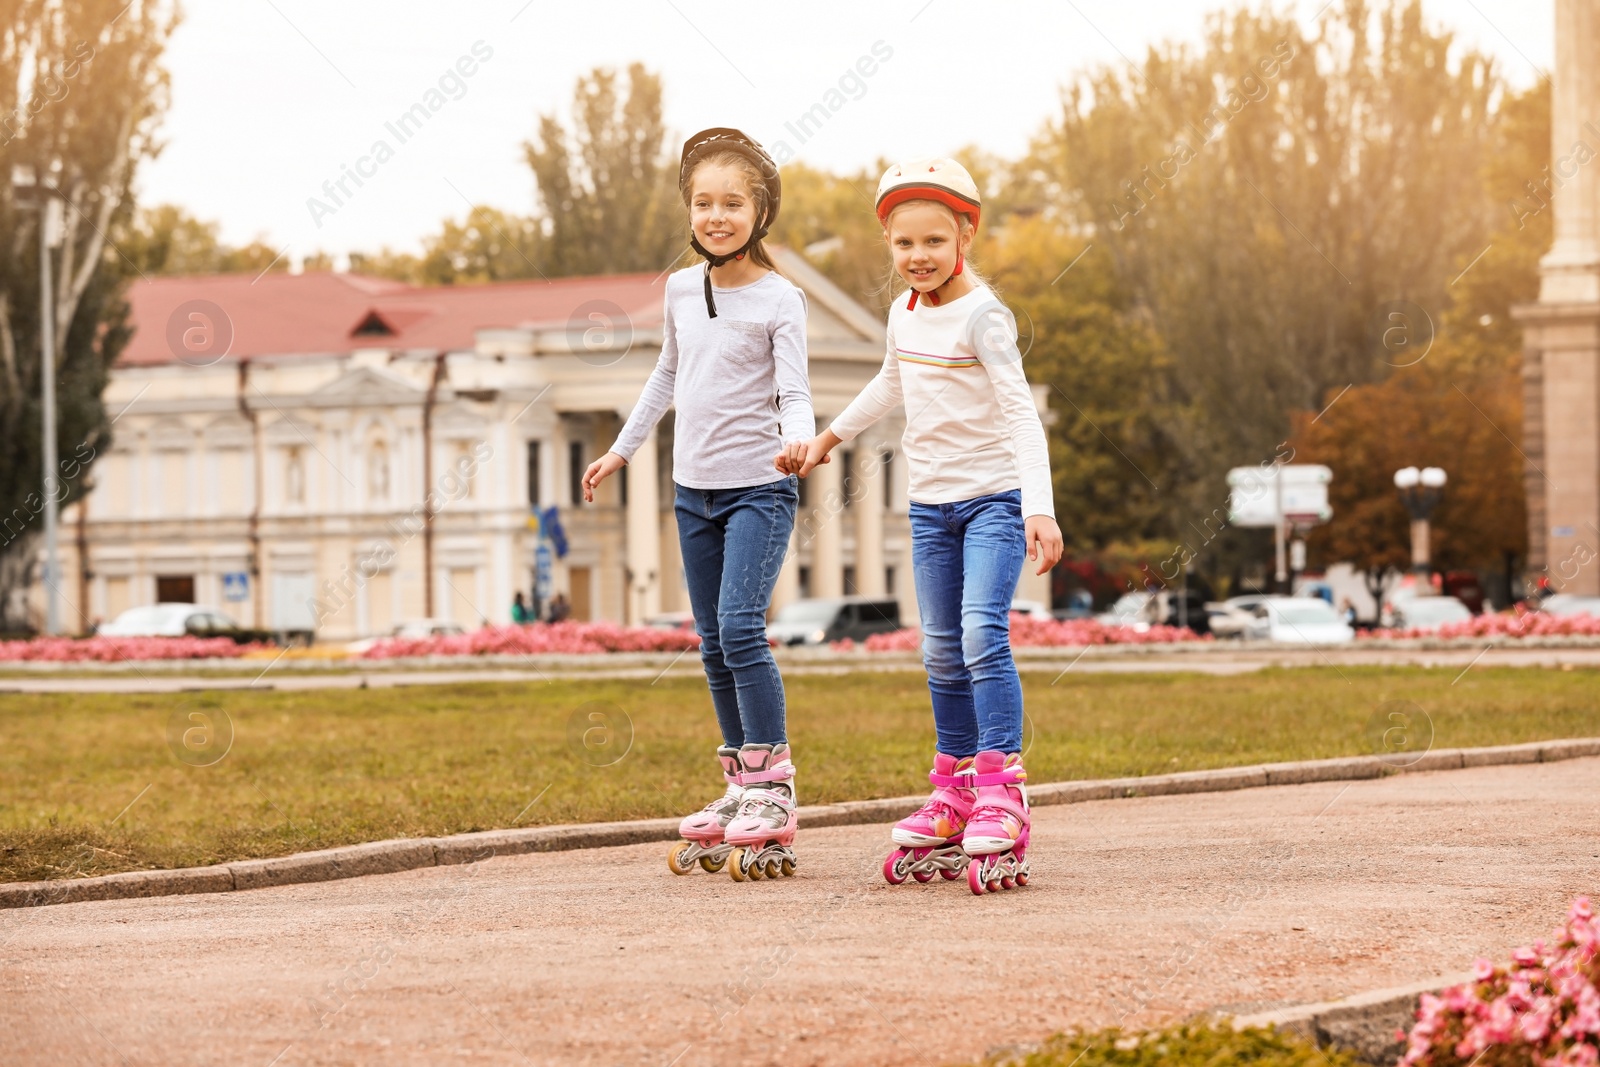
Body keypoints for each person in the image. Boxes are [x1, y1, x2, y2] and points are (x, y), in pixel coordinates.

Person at [784, 157, 1064, 895]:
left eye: (935, 240)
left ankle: (1003, 786)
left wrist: (1040, 506)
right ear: (889, 245)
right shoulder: (903, 312)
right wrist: (829, 437)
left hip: (995, 502)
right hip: (930, 507)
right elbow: (892, 380)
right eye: (904, 244)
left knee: (980, 634)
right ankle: (954, 789)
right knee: (939, 650)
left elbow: (1019, 412)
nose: (919, 256)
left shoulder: (984, 316)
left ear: (965, 234)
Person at [584, 128, 814, 882]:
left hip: (760, 485)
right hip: (693, 490)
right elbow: (665, 376)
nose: (717, 215)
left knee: (743, 628)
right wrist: (622, 448)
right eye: (704, 202)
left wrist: (798, 440)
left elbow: (794, 390)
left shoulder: (783, 298)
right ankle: (740, 785)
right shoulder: (683, 289)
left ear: (761, 210)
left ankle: (774, 788)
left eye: (733, 202)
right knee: (711, 642)